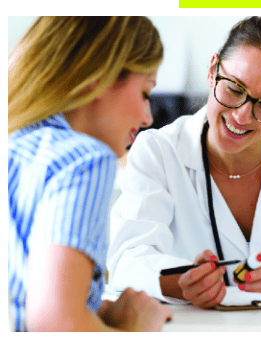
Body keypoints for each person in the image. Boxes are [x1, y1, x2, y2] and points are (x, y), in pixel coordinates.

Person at [107, 16, 261, 309]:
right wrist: (186, 284)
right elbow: (128, 260)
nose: (242, 116)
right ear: (213, 71)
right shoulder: (158, 151)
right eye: (234, 89)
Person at [8, 16, 173, 331]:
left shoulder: (17, 145)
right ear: (100, 77)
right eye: (145, 93)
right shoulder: (85, 159)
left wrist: (92, 310)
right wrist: (136, 329)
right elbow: (55, 323)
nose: (148, 116)